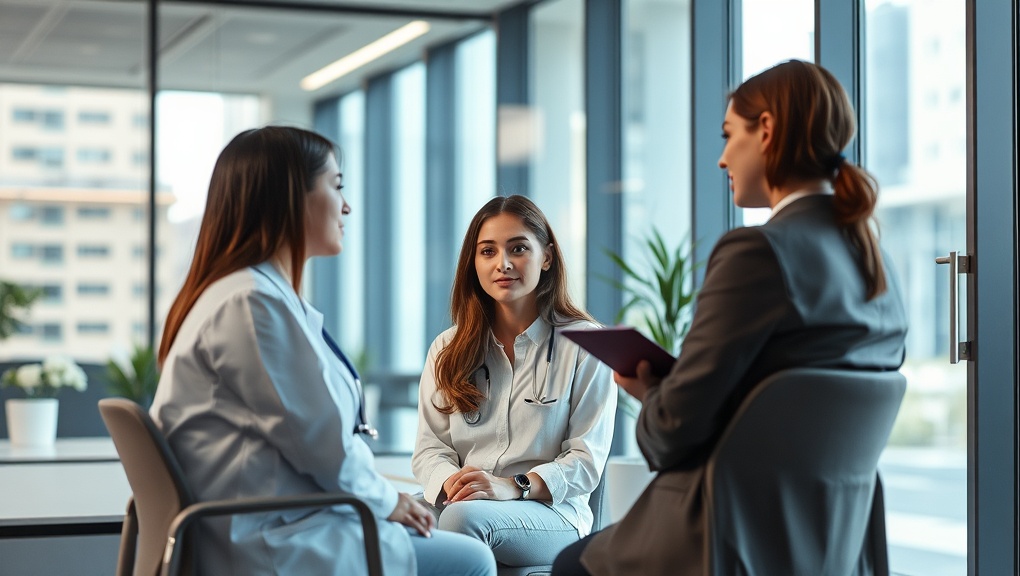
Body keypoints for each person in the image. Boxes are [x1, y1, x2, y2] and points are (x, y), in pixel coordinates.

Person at [552, 60, 909, 576]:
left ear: (766, 130)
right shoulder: (876, 265)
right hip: (827, 545)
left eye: (729, 134)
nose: (722, 159)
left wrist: (651, 392)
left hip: (726, 534)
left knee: (570, 565)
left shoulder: (758, 253)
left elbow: (671, 434)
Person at [151, 126, 495, 576]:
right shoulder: (253, 304)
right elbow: (322, 445)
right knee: (471, 561)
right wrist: (387, 501)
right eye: (336, 187)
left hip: (266, 522)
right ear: (291, 198)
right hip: (272, 542)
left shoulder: (242, 296)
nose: (346, 206)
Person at [412, 195, 617, 570]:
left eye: (518, 248)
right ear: (473, 264)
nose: (502, 264)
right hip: (463, 503)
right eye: (487, 251)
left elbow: (586, 462)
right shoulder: (447, 347)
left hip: (551, 514)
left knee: (460, 521)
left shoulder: (587, 345)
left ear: (548, 257)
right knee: (379, 521)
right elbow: (430, 450)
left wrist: (512, 487)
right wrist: (454, 485)